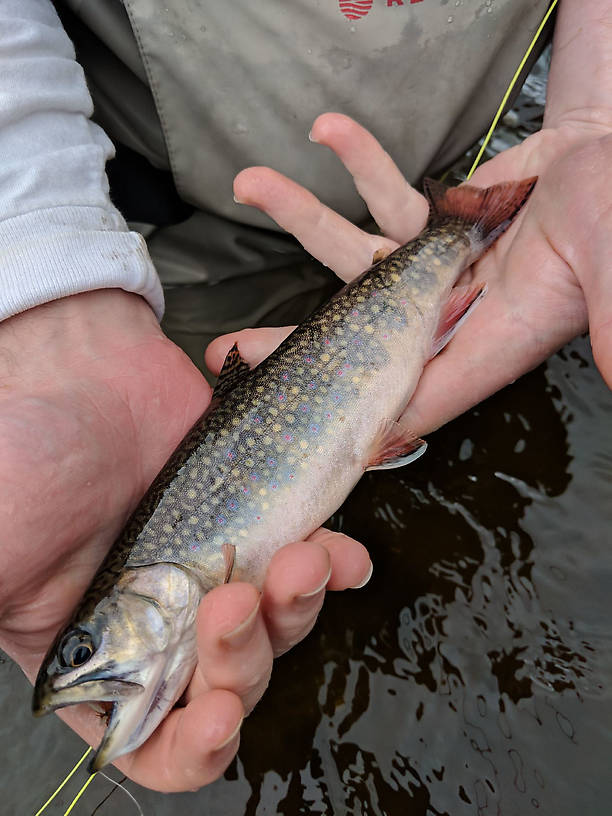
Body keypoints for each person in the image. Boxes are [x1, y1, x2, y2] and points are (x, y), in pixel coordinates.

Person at [0, 0, 610, 794]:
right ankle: (449, 234)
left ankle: (453, 231)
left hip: (463, 147)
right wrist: (50, 321)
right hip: (140, 215)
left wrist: (594, 113)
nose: (89, 668)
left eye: (86, 654)